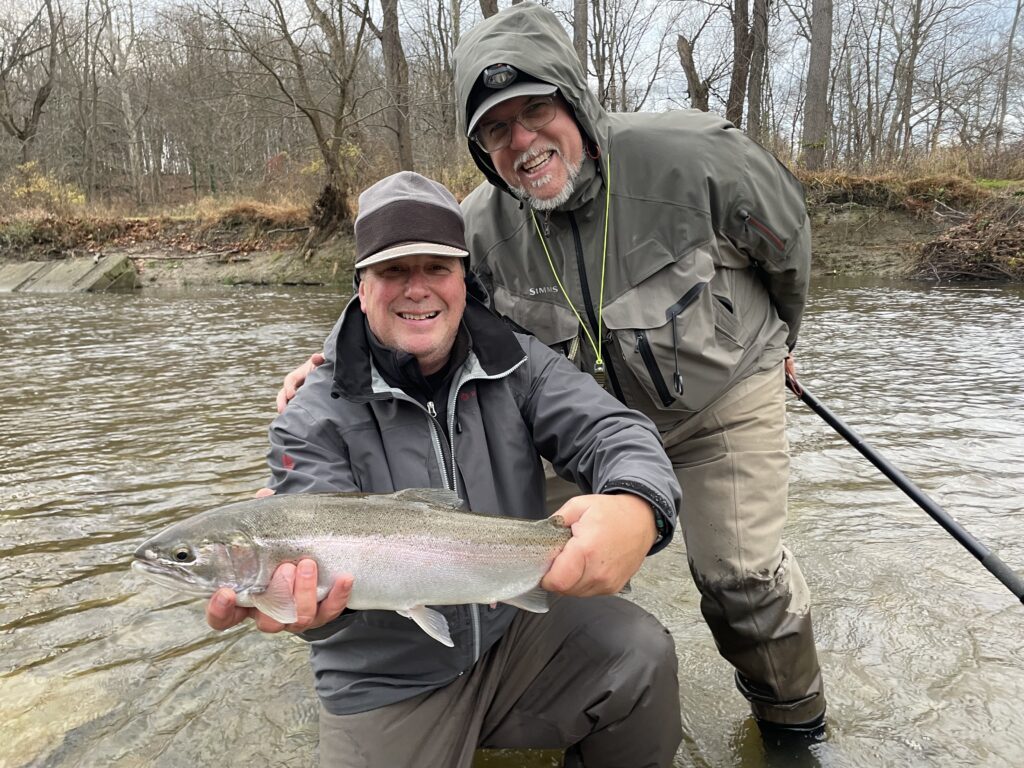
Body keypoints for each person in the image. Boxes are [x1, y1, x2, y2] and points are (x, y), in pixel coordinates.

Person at [277, 1, 825, 738]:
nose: (522, 140)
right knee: (543, 559)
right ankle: (568, 696)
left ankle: (795, 724)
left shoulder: (700, 156)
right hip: (584, 416)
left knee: (739, 580)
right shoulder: (474, 229)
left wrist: (785, 338)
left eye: (535, 109)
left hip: (724, 394)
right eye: (496, 130)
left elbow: (786, 246)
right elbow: (409, 303)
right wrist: (326, 372)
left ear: (576, 100)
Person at [207, 171, 684, 767]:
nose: (418, 289)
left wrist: (637, 505)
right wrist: (305, 615)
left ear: (464, 279)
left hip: (513, 629)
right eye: (393, 271)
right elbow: (313, 558)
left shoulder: (518, 362)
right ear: (360, 286)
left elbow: (617, 430)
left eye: (437, 267)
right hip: (387, 675)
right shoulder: (310, 415)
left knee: (640, 654)